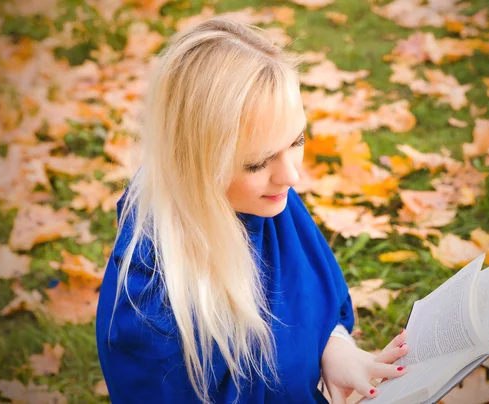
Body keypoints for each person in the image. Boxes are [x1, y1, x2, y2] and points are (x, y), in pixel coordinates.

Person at [95, 16, 409, 404]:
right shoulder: (153, 301)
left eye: (297, 140)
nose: (291, 176)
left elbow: (312, 301)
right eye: (257, 163)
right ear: (194, 164)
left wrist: (335, 350)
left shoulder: (266, 202)